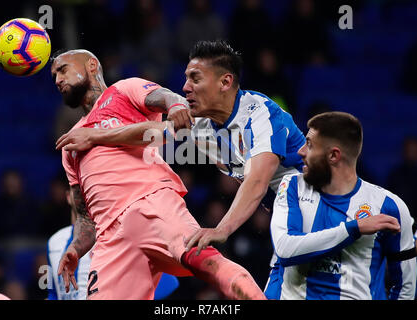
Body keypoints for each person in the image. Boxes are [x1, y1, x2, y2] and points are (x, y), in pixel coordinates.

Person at [56, 40, 306, 257]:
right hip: (285, 217)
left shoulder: (260, 113)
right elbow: (148, 133)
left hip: (317, 206)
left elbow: (258, 181)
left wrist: (221, 229)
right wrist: (95, 135)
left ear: (225, 82)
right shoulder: (200, 123)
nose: (185, 87)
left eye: (195, 79)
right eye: (186, 78)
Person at [51, 49, 265, 300]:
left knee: (203, 261)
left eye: (63, 69)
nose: (57, 80)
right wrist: (76, 248)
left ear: (91, 65)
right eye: (54, 75)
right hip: (110, 239)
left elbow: (166, 97)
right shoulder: (72, 143)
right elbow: (87, 218)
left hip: (150, 203)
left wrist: (175, 104)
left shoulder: (122, 90)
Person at [266, 111, 417, 299]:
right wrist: (354, 228)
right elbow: (286, 249)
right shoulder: (292, 186)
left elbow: (404, 288)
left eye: (310, 145)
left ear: (333, 155)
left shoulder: (389, 206)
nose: (301, 151)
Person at [47, 188, 179, 300]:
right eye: (78, 189)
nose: (85, 195)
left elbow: (168, 283)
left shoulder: (120, 234)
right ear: (68, 197)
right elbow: (54, 293)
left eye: (89, 189)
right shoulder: (54, 242)